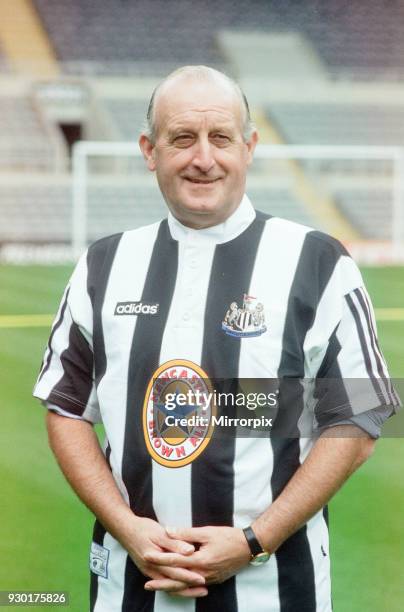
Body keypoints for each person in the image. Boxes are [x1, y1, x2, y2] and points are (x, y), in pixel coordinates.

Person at [34, 65, 400, 612]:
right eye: (182, 138)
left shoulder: (319, 262)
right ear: (149, 150)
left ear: (249, 147)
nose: (203, 158)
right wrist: (128, 528)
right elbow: (67, 409)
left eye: (221, 137)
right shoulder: (102, 265)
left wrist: (255, 540)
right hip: (128, 589)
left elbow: (359, 420)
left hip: (275, 590)